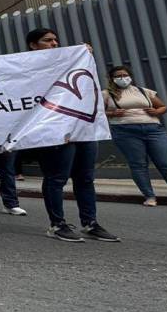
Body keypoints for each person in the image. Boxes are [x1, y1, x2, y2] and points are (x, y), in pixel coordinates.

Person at [26, 28, 119, 242]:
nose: (54, 43)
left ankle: (90, 222)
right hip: (56, 131)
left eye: (56, 40)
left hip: (83, 128)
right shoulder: (28, 68)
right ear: (33, 45)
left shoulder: (70, 61)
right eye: (47, 40)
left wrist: (82, 53)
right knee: (56, 178)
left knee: (85, 178)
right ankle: (57, 224)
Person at [104, 64, 167, 206]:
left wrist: (157, 112)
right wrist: (112, 113)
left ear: (130, 77)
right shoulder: (106, 94)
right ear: (111, 79)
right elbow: (97, 113)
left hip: (153, 129)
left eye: (125, 75)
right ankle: (149, 196)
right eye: (118, 76)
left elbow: (163, 107)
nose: (122, 78)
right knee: (138, 164)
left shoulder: (143, 91)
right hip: (125, 131)